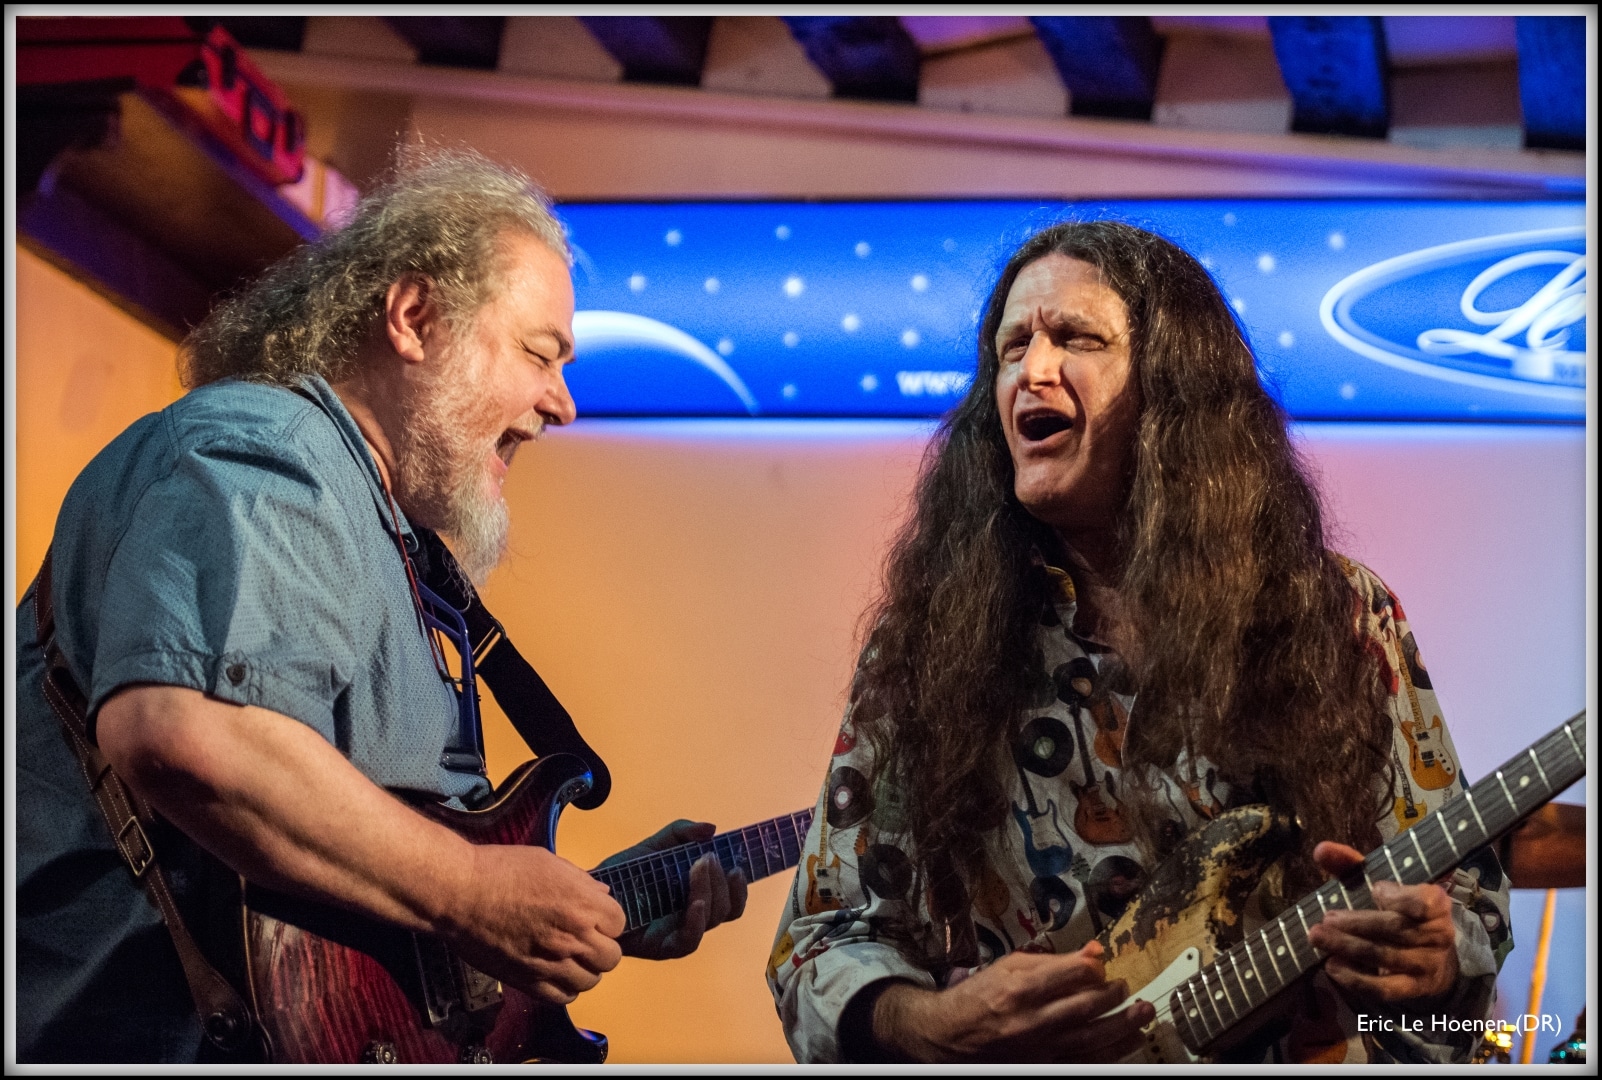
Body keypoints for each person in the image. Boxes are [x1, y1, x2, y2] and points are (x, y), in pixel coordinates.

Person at [15, 150, 746, 1063]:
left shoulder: (378, 525)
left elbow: (356, 890)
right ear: (414, 319)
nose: (562, 404)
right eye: (540, 352)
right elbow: (182, 732)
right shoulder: (276, 454)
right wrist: (474, 892)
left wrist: (579, 911)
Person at [767, 221, 1511, 1064]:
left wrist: (1441, 961)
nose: (1032, 370)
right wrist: (936, 1024)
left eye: (1076, 338)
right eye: (1013, 347)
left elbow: (1471, 904)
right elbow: (819, 942)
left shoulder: (1339, 615)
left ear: (1172, 390)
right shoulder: (933, 641)